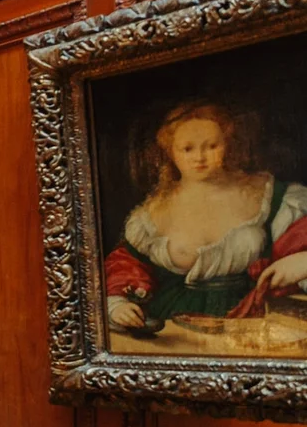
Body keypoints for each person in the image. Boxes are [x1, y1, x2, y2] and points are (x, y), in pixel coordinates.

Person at [104, 101, 307, 334]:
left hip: (251, 322)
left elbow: (300, 239)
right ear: (171, 152)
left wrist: (303, 261)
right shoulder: (152, 212)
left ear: (227, 145)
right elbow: (127, 265)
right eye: (187, 149)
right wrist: (118, 305)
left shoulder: (271, 196)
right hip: (173, 325)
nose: (199, 157)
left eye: (211, 146)